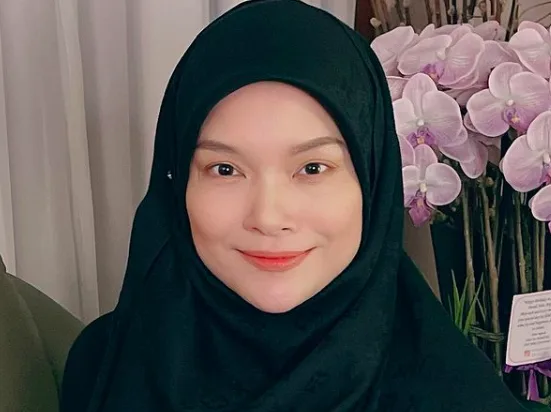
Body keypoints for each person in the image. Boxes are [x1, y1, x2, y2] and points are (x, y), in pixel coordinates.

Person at [60, 0, 530, 411]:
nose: (268, 217)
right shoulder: (104, 364)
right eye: (225, 169)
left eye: (312, 168)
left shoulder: (453, 397)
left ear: (373, 183)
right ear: (177, 181)